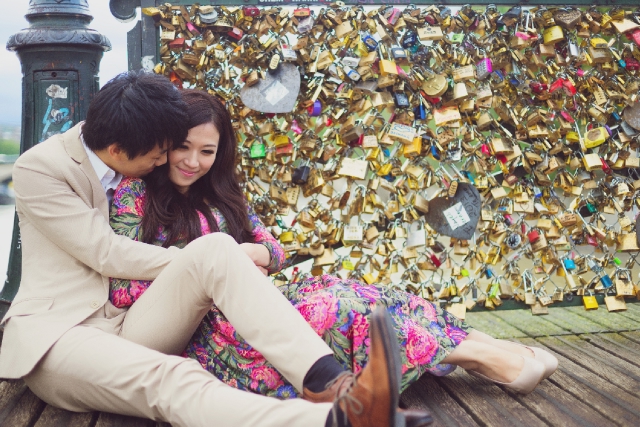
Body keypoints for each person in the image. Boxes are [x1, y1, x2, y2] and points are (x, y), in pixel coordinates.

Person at [0, 71, 433, 427]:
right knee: (173, 379)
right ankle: (337, 422)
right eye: (157, 155)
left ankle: (334, 384)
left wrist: (230, 256)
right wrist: (202, 259)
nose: (164, 162)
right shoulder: (42, 168)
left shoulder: (131, 150)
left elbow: (246, 236)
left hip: (132, 321)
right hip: (62, 336)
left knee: (218, 248)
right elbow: (105, 254)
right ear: (117, 151)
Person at [109, 89, 558, 400]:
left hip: (258, 302)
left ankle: (487, 351)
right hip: (202, 332)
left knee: (361, 290)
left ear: (219, 153)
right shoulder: (137, 196)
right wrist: (209, 271)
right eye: (183, 148)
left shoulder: (220, 192)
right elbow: (123, 285)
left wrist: (255, 255)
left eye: (206, 151)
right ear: (164, 144)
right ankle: (492, 361)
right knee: (337, 309)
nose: (193, 161)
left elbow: (274, 248)